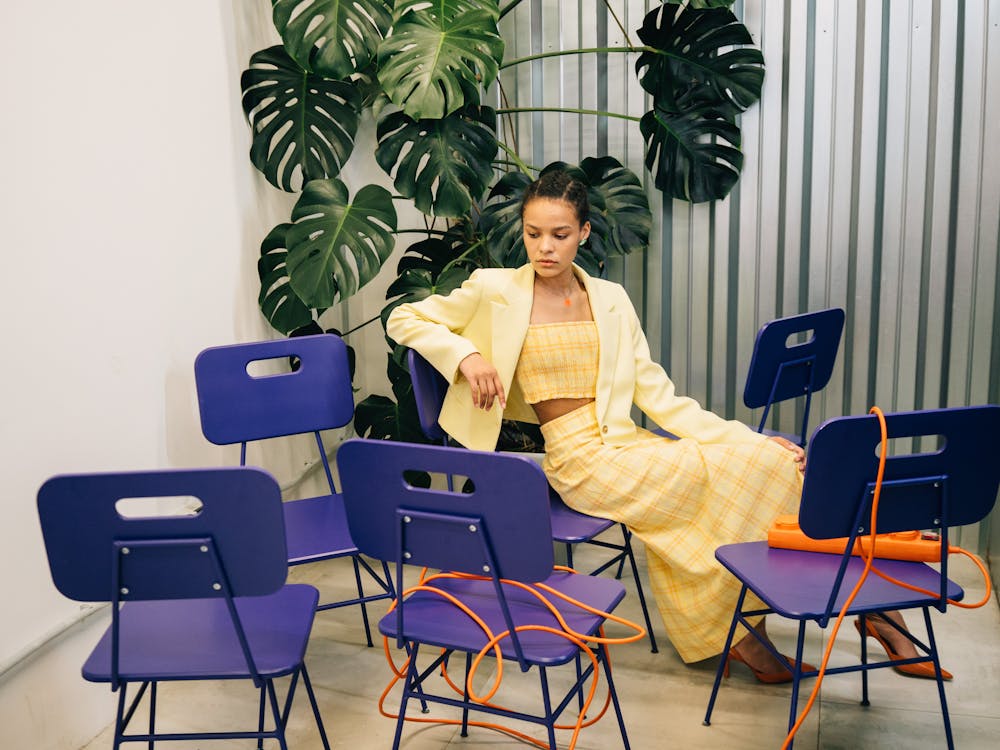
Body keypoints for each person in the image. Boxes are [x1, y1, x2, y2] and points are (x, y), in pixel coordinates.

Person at [386, 169, 945, 682]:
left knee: (768, 461)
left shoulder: (608, 299)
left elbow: (661, 397)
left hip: (626, 445)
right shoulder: (496, 289)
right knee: (730, 479)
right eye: (533, 234)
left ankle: (846, 618)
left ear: (583, 231)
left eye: (558, 234)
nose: (544, 247)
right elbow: (405, 316)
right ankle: (779, 632)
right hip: (579, 464)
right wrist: (466, 356)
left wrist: (750, 437)